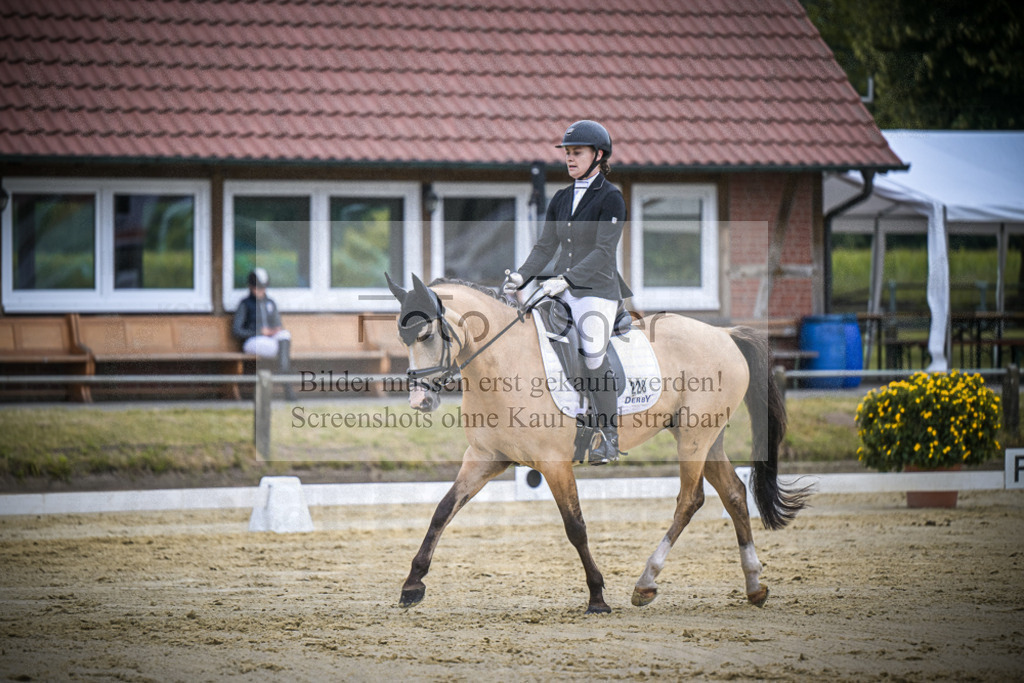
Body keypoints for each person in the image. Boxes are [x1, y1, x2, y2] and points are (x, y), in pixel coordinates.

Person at [505, 120, 631, 465]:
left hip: (598, 291)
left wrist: (568, 280)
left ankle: (608, 433)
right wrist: (521, 275)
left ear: (598, 155)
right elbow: (545, 246)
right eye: (568, 153)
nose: (570, 159)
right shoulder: (561, 198)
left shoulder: (611, 197)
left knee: (591, 351)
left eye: (577, 153)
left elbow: (604, 251)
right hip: (561, 287)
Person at [232, 267, 296, 400]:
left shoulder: (270, 303)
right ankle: (286, 380)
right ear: (251, 287)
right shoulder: (245, 304)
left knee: (285, 335)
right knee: (279, 349)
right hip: (252, 341)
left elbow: (278, 325)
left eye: (263, 287)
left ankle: (284, 375)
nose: (261, 291)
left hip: (271, 339)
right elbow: (237, 330)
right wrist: (259, 332)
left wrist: (274, 331)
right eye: (258, 287)